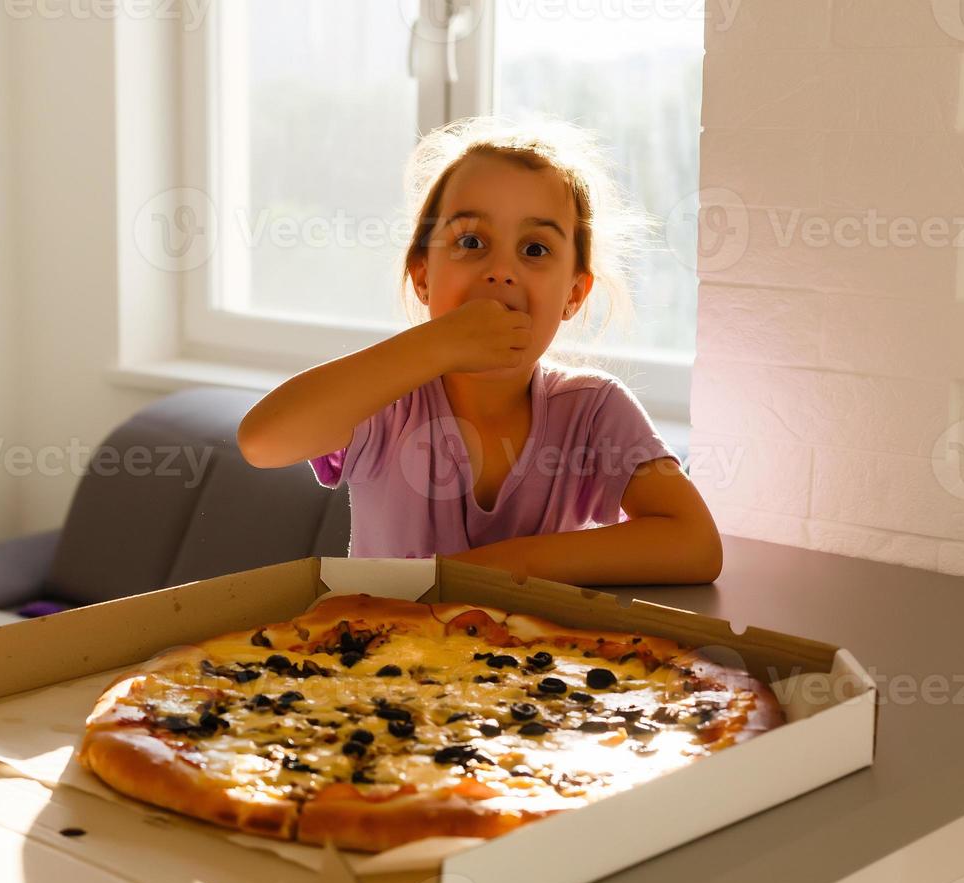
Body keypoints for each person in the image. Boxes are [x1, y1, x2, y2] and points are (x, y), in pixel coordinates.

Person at [237, 115, 721, 586]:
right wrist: (438, 343)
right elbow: (262, 441)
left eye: (534, 249)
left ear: (574, 294)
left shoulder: (593, 411)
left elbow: (695, 544)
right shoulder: (386, 400)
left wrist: (496, 570)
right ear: (423, 276)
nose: (501, 270)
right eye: (471, 241)